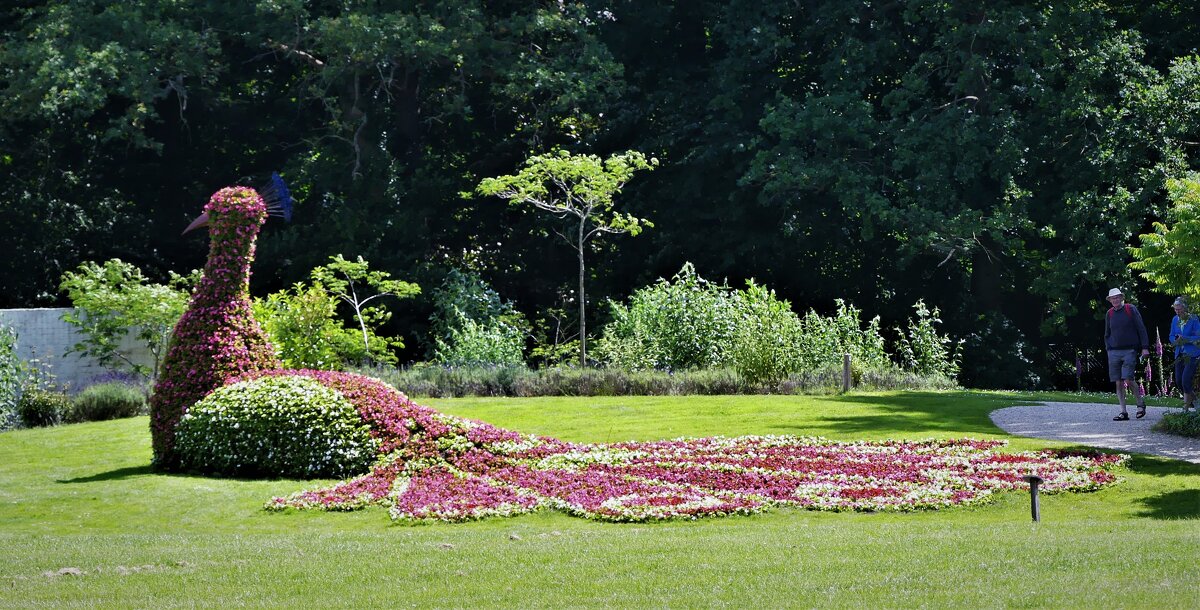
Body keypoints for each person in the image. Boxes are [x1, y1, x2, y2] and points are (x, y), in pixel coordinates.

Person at [1103, 288, 1149, 421]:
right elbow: (1107, 333)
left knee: (1128, 379)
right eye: (1113, 298)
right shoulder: (1109, 313)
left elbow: (1141, 328)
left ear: (1122, 298)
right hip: (1113, 351)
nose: (1115, 300)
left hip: (1130, 349)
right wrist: (1108, 348)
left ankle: (1140, 404)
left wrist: (1145, 347)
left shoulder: (1130, 309)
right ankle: (1123, 412)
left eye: (1117, 297)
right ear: (1110, 300)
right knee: (1118, 382)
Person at [1169, 296, 1200, 412]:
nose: (1177, 312)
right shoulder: (1174, 320)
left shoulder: (1193, 319)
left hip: (1192, 353)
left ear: (1185, 308)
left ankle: (1185, 410)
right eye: (1175, 309)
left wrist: (1185, 339)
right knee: (1178, 381)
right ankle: (1195, 400)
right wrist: (1175, 340)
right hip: (1179, 353)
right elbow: (1171, 335)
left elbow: (1198, 337)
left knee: (1185, 380)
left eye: (1179, 309)